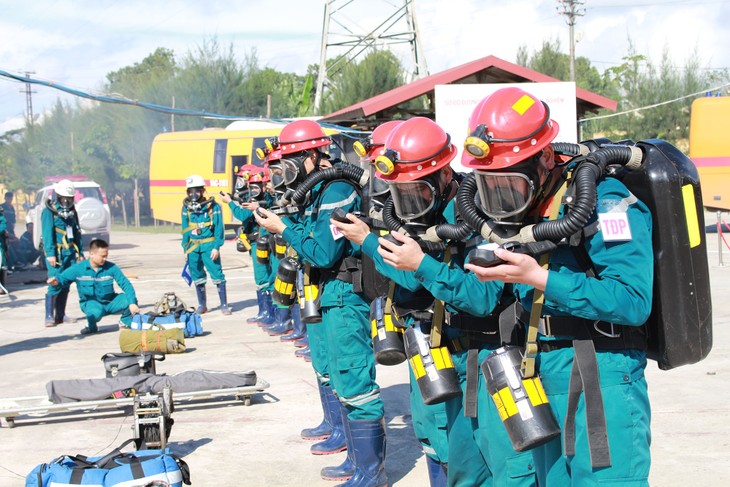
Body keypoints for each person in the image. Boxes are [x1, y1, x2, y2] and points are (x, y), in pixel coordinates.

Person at [457, 87, 653, 485]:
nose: (500, 200)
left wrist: (538, 278)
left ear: (546, 157)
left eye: (509, 185)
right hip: (541, 371)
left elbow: (633, 301)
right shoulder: (530, 208)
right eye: (489, 187)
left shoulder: (606, 201)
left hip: (603, 376)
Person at [332, 117, 537, 487]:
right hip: (444, 350)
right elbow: (411, 270)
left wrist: (388, 250)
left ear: (444, 175)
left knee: (509, 471)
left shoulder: (477, 210)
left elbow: (480, 296)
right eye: (402, 194)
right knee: (456, 463)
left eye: (419, 192)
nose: (411, 203)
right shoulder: (414, 213)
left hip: (492, 358)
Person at [255, 120, 387, 487]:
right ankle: (355, 459)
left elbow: (324, 253)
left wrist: (283, 229)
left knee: (355, 381)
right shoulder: (315, 192)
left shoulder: (338, 189)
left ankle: (371, 474)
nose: (289, 168)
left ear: (314, 155)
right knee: (336, 375)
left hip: (345, 294)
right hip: (325, 294)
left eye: (295, 158)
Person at [47, 238, 140, 335]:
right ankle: (91, 326)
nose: (105, 259)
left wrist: (132, 303)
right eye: (102, 256)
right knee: (94, 314)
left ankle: (125, 322)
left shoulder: (111, 267)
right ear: (91, 254)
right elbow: (62, 279)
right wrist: (56, 282)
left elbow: (126, 284)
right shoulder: (79, 268)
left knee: (129, 299)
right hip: (92, 303)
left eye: (106, 256)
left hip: (110, 301)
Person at [181, 174, 231, 315]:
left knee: (217, 274)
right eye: (190, 191)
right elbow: (185, 229)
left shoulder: (212, 207)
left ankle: (224, 304)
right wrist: (185, 248)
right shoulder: (186, 208)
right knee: (197, 276)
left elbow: (219, 228)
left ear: (203, 191)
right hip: (193, 247)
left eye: (197, 190)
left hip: (209, 246)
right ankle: (202, 304)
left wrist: (216, 246)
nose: (193, 194)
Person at [42, 179, 83, 327]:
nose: (67, 201)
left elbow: (77, 232)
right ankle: (48, 316)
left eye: (69, 199)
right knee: (54, 282)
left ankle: (60, 315)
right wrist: (50, 253)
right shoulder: (49, 212)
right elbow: (47, 234)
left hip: (70, 253)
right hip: (57, 254)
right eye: (64, 198)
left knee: (65, 284)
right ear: (58, 196)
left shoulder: (72, 211)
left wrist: (80, 252)